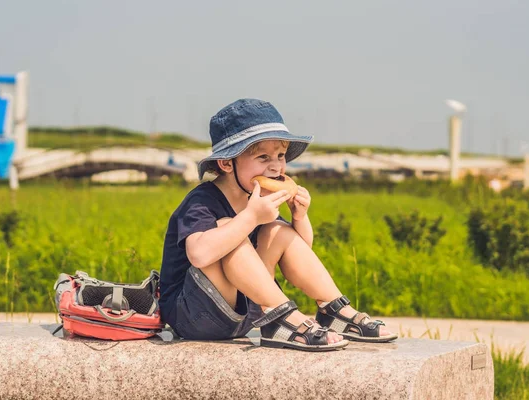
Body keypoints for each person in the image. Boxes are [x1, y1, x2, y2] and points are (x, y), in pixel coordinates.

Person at [159, 99, 397, 351]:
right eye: (263, 157)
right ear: (227, 163)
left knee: (277, 230)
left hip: (249, 313)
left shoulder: (258, 199)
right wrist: (250, 218)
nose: (275, 166)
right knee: (229, 228)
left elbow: (299, 252)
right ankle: (284, 317)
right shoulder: (202, 200)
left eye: (281, 156)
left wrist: (299, 217)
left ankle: (333, 309)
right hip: (195, 314)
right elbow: (199, 254)